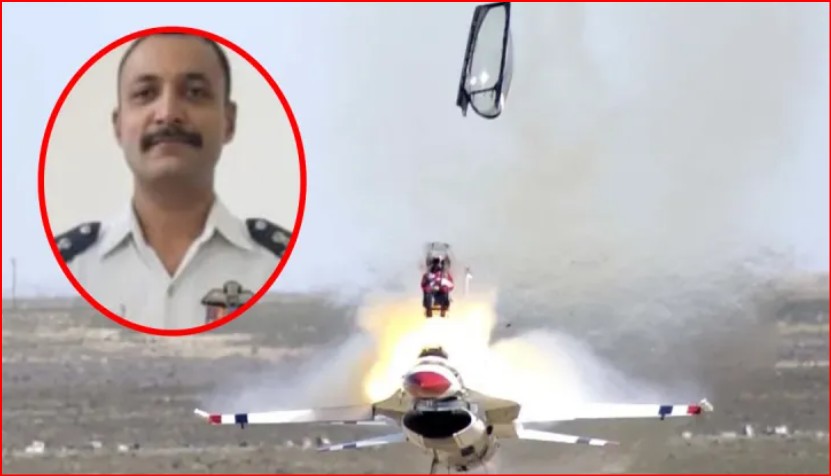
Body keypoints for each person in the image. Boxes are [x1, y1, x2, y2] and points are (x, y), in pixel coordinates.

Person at [52, 32, 292, 330]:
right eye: (145, 94)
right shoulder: (69, 268)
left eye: (194, 93)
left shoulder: (281, 267)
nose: (168, 114)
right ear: (118, 126)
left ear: (228, 122)